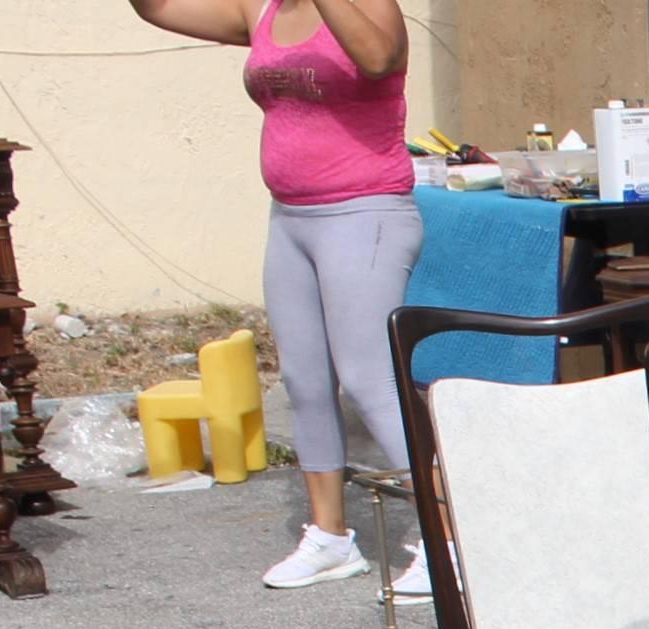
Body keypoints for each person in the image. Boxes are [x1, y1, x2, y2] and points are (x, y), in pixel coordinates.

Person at [127, 0, 428, 595]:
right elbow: (157, 9)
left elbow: (375, 59)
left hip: (365, 212)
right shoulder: (259, 8)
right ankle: (330, 536)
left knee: (372, 379)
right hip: (291, 218)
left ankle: (448, 540)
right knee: (305, 380)